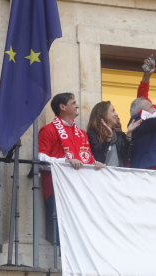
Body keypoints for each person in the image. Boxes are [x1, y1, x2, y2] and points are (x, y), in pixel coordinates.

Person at [38, 92, 105, 244]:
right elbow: (40, 158)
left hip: (81, 188)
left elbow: (87, 158)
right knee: (62, 228)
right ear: (62, 107)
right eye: (73, 102)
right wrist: (65, 162)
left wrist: (96, 164)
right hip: (58, 187)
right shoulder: (48, 130)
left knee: (82, 230)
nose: (77, 105)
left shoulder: (82, 134)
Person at [129, 83, 156, 171]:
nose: (155, 110)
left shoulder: (145, 123)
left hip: (153, 164)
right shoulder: (139, 120)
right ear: (140, 111)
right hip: (154, 165)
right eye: (151, 107)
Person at [87, 101, 141, 167]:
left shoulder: (119, 134)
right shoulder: (92, 134)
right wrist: (108, 137)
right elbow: (98, 158)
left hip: (117, 175)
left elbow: (125, 156)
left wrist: (129, 133)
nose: (116, 114)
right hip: (101, 175)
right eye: (113, 111)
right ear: (103, 114)